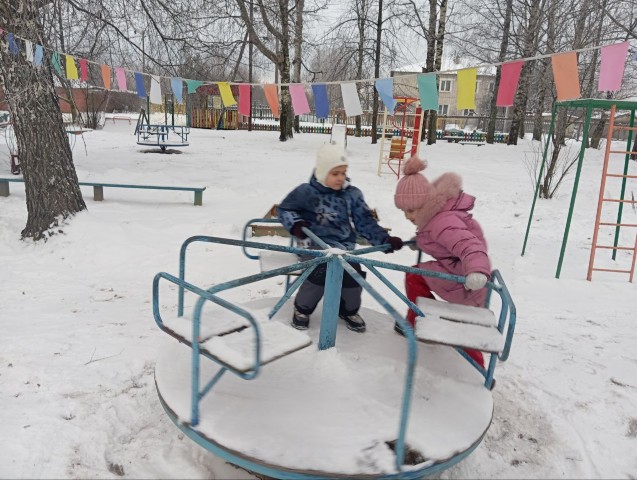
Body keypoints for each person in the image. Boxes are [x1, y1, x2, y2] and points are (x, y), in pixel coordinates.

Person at [278, 143, 403, 333]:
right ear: (322, 173)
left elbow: (364, 221)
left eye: (343, 173)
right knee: (321, 269)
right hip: (313, 245)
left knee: (353, 274)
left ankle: (348, 310)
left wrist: (384, 240)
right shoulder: (306, 192)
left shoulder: (351, 194)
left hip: (342, 248)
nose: (340, 178)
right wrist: (296, 224)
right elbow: (285, 209)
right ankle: (302, 309)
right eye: (335, 173)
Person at [393, 155, 491, 367]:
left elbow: (469, 245)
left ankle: (477, 370)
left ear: (424, 204)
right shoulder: (435, 217)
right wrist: (420, 242)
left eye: (411, 210)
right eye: (403, 211)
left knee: (463, 329)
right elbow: (441, 240)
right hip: (455, 271)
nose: (407, 216)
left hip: (468, 281)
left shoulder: (443, 222)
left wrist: (477, 271)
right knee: (415, 275)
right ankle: (418, 319)